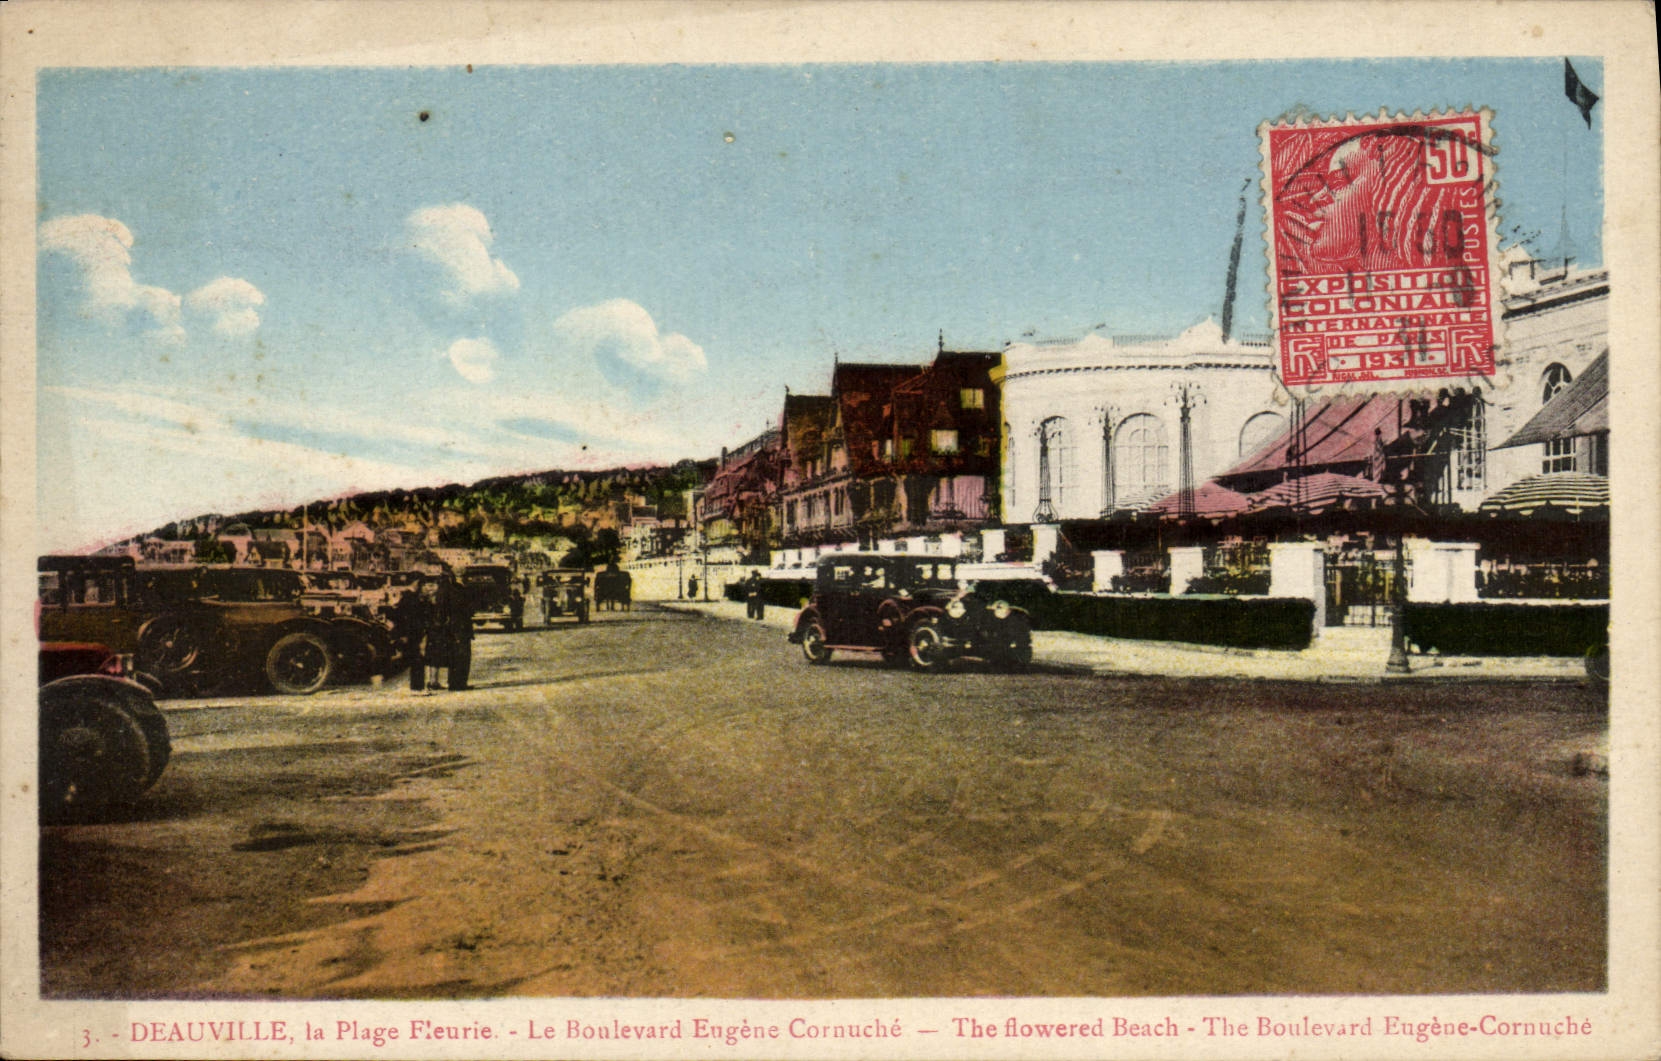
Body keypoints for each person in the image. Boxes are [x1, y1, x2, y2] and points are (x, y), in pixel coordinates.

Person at [389, 578, 435, 692]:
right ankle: (417, 686)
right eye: (423, 584)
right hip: (411, 633)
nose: (426, 587)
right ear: (416, 583)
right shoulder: (410, 598)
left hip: (413, 632)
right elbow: (405, 617)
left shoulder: (414, 597)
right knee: (416, 659)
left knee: (417, 659)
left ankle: (418, 686)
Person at [435, 569, 474, 691]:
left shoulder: (450, 590)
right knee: (461, 655)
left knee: (458, 656)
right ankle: (458, 683)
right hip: (458, 626)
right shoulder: (453, 590)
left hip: (457, 626)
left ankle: (457, 682)